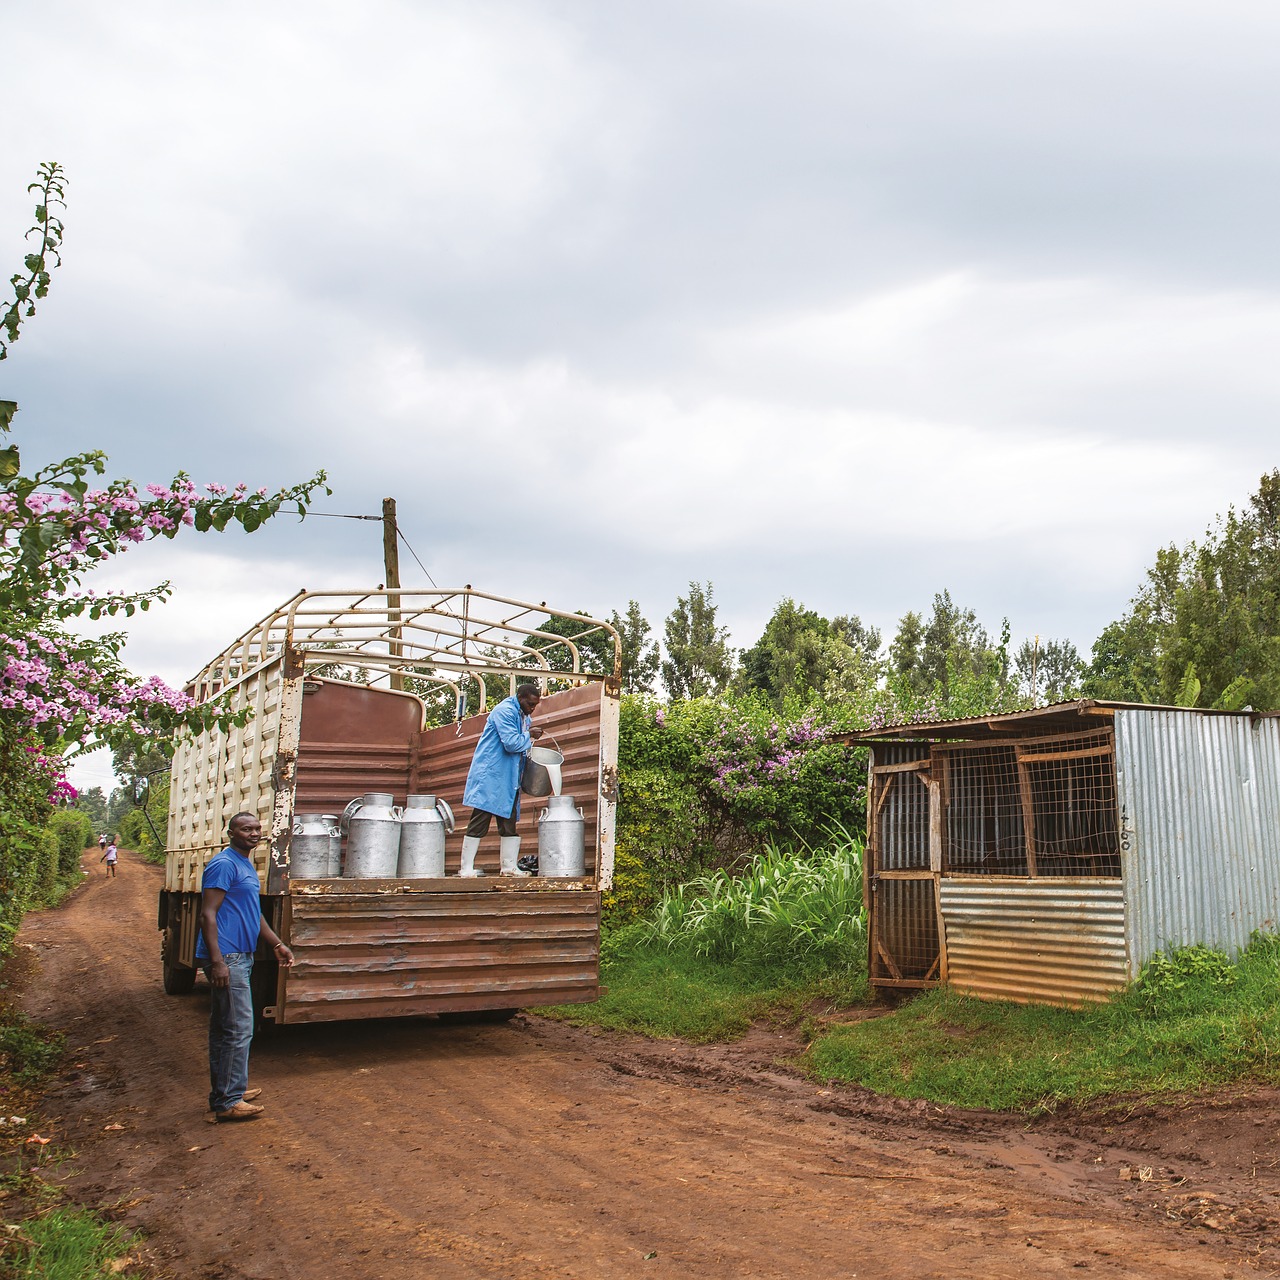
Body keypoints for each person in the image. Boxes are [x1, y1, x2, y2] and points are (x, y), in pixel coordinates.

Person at [197, 812, 294, 1123]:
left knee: (225, 1027)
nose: (253, 834)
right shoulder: (224, 864)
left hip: (240, 953)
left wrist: (276, 942)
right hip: (228, 956)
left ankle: (229, 1089)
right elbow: (207, 915)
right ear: (231, 832)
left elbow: (253, 913)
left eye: (256, 829)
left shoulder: (244, 863)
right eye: (245, 829)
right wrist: (217, 961)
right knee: (239, 1028)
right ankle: (228, 1100)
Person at [459, 683, 544, 877]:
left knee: (509, 822)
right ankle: (465, 868)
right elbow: (512, 743)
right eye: (530, 704)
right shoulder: (504, 711)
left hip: (508, 776)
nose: (533, 709)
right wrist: (529, 735)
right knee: (480, 819)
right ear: (520, 698)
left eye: (535, 705)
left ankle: (509, 868)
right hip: (491, 775)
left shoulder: (524, 715)